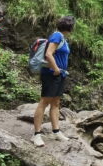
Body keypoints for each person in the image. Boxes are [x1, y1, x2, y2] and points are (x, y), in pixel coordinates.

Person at [32, 15, 75, 147]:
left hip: (59, 74)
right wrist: (56, 69)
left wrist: (60, 71)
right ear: (70, 27)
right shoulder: (57, 36)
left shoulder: (62, 38)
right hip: (51, 74)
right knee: (44, 102)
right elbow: (48, 54)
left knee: (56, 102)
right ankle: (36, 135)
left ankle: (56, 132)